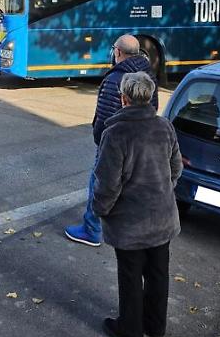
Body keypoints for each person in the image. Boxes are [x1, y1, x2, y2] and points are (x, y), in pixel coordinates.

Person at [93, 72, 182, 337]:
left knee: (130, 275)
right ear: (150, 97)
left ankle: (130, 331)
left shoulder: (116, 134)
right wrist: (162, 192)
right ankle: (155, 325)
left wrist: (101, 210)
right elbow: (176, 168)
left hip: (130, 224)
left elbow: (108, 184)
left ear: (124, 98)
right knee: (158, 272)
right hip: (163, 218)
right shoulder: (164, 127)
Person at [64, 34, 158, 246]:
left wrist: (100, 142)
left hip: (114, 143)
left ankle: (91, 230)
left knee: (99, 184)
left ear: (117, 52)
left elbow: (104, 119)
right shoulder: (148, 75)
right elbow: (153, 108)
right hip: (140, 142)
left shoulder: (115, 78)